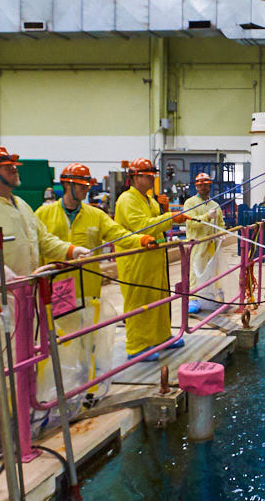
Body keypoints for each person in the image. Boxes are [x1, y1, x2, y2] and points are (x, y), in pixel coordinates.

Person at [36, 163, 152, 398]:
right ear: (67, 185)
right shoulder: (43, 214)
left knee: (87, 340)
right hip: (56, 289)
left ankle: (86, 388)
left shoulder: (95, 215)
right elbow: (37, 245)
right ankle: (54, 391)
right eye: (81, 185)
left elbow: (118, 233)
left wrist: (140, 240)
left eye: (87, 185)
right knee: (57, 339)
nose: (85, 190)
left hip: (87, 289)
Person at [0, 145, 90, 287]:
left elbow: (43, 240)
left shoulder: (20, 205)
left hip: (24, 289)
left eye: (14, 166)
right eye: (8, 167)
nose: (15, 170)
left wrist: (71, 250)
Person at [114, 158, 187, 362]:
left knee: (160, 298)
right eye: (148, 176)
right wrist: (171, 217)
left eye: (152, 175)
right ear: (135, 177)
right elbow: (143, 226)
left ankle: (161, 337)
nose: (151, 179)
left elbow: (161, 226)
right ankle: (137, 346)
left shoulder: (149, 199)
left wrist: (165, 212)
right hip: (136, 260)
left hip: (154, 258)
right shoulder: (127, 200)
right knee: (138, 301)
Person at [183, 173, 227, 313]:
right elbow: (191, 223)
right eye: (200, 185)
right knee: (196, 272)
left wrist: (222, 234)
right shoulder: (190, 203)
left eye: (205, 184)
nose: (203, 187)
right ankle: (193, 299)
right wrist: (207, 216)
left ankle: (212, 295)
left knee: (213, 270)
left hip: (212, 245)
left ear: (209, 185)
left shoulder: (215, 205)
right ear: (196, 186)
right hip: (197, 244)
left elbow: (221, 224)